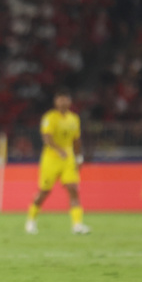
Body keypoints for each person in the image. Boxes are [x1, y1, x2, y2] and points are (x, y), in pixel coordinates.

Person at [25, 88, 91, 235]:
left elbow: (77, 140)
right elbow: (47, 138)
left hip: (68, 159)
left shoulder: (74, 119)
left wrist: (79, 157)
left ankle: (77, 225)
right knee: (44, 191)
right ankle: (31, 221)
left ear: (69, 101)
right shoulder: (50, 117)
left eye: (65, 99)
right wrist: (58, 149)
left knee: (73, 189)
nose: (62, 102)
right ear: (55, 101)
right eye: (60, 99)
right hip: (51, 159)